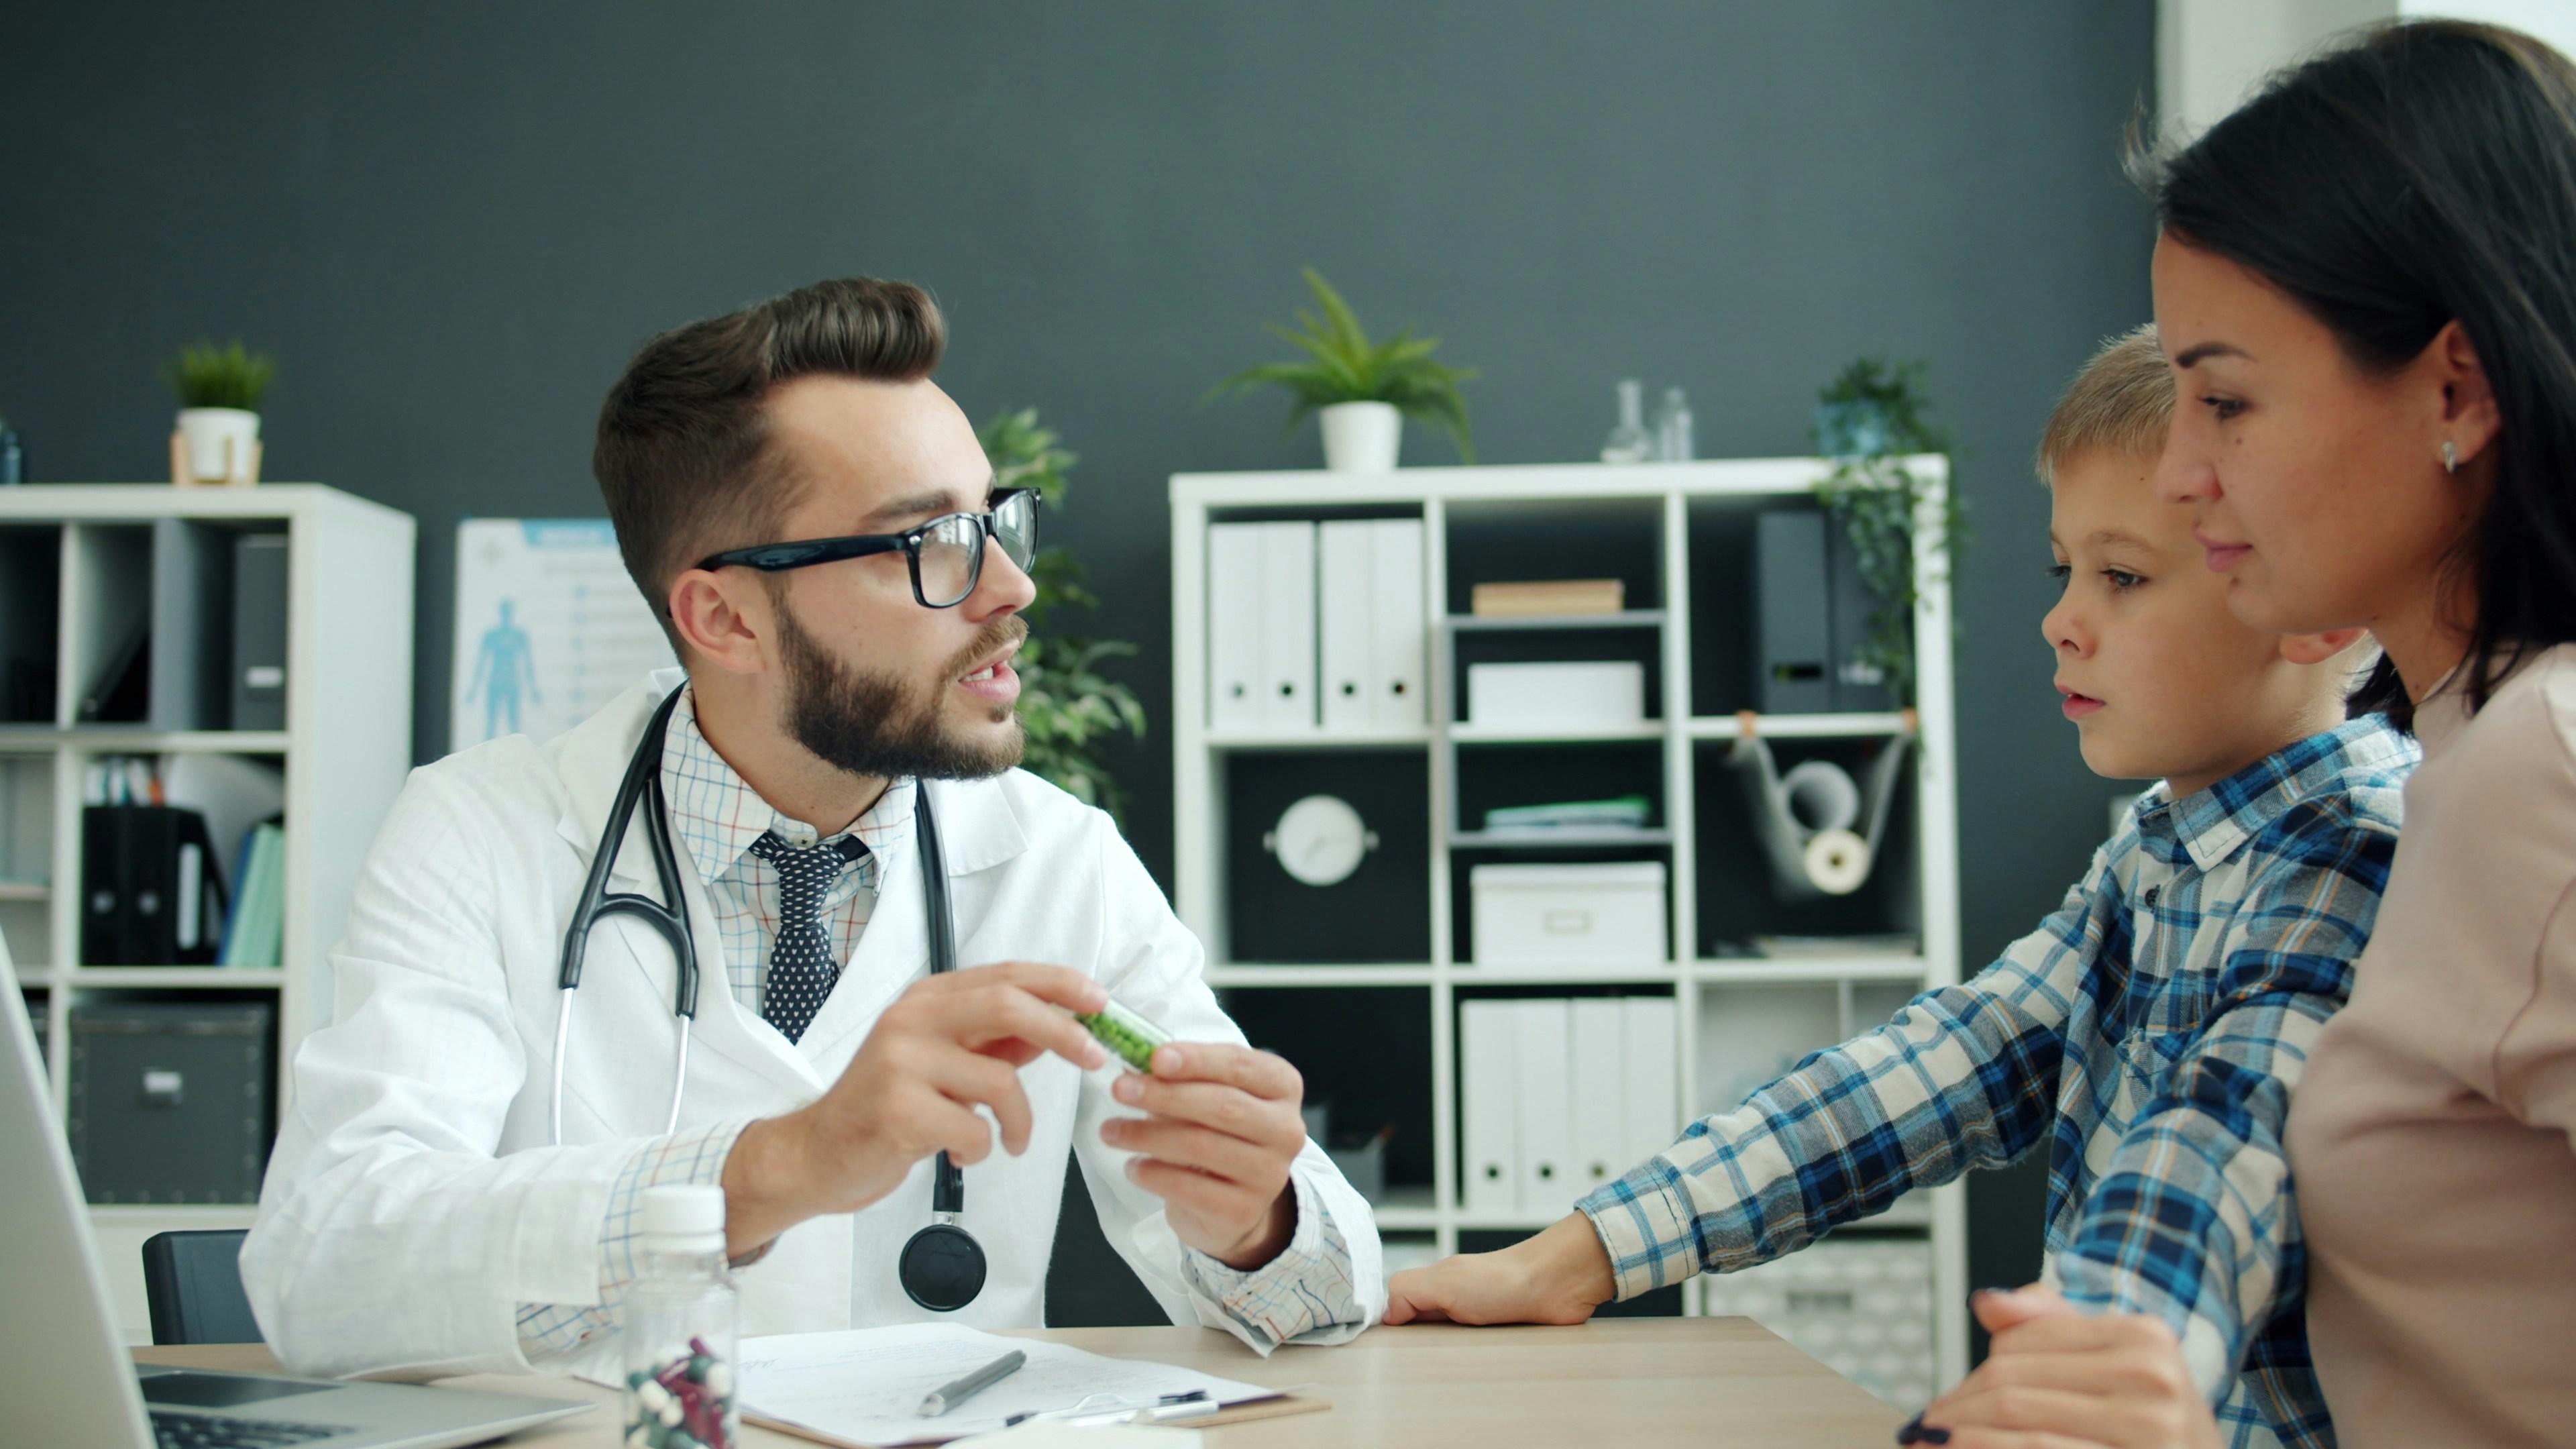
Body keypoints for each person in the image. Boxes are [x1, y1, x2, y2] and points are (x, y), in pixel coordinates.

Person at [242, 278, 1380, 1378]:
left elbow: (1332, 1292)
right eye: (924, 544)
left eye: (993, 521)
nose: (1009, 591)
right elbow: (324, 1266)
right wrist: (780, 1166)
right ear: (725, 615)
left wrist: (1256, 1221)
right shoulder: (480, 834)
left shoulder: (1058, 860)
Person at [1384, 326, 2416, 1449]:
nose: (2061, 619)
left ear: (2319, 607)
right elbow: (1940, 1067)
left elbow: (2219, 1151)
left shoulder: (2356, 853)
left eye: (2121, 576)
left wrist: (2084, 1369)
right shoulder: (2160, 849)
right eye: (2063, 567)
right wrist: (1580, 1255)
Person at [1919, 19, 2576, 1449]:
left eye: (2223, 399)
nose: (2179, 469)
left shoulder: (2545, 769)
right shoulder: (2465, 759)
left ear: (2457, 391)